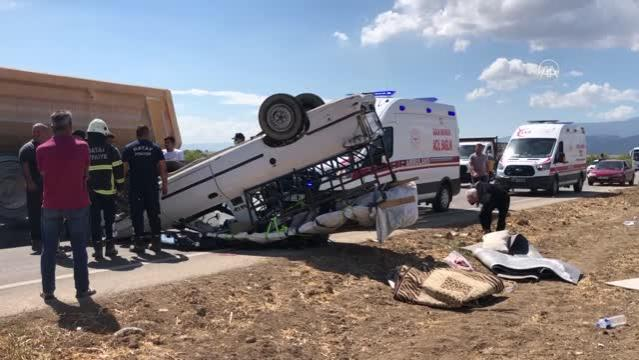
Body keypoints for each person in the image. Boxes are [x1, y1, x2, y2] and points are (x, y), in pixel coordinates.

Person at [36, 110, 95, 301]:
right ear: (70, 126)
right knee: (79, 248)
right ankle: (82, 290)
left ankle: (48, 292)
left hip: (51, 203)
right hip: (77, 202)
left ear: (52, 128)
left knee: (49, 249)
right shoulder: (83, 146)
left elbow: (43, 175)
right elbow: (86, 174)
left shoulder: (41, 149)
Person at [122, 125, 168, 253]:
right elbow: (163, 168)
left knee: (137, 215)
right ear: (147, 134)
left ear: (137, 134)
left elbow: (124, 169)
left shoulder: (129, 148)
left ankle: (139, 244)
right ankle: (156, 243)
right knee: (153, 214)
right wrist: (165, 184)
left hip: (135, 187)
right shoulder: (156, 148)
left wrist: (122, 185)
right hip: (151, 186)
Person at [87, 119, 125, 260]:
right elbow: (118, 170)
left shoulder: (84, 148)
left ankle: (97, 250)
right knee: (109, 220)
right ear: (103, 132)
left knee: (95, 221)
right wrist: (120, 186)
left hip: (90, 192)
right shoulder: (111, 149)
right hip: (109, 192)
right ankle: (110, 247)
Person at [18, 123, 51, 254]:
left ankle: (47, 240)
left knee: (47, 214)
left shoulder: (45, 147)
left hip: (46, 187)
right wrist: (30, 182)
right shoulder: (28, 148)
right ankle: (37, 242)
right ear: (37, 133)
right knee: (35, 214)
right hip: (35, 188)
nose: (48, 135)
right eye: (45, 133)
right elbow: (25, 166)